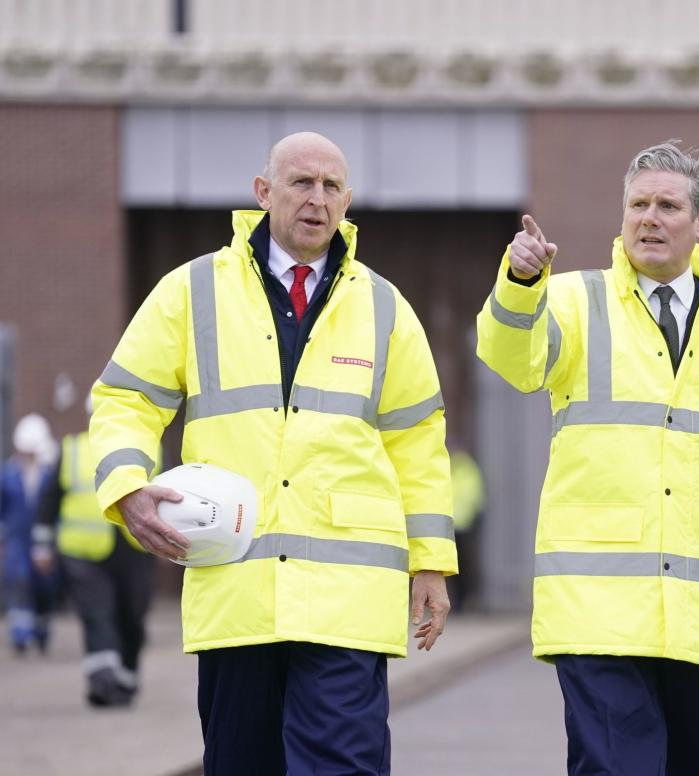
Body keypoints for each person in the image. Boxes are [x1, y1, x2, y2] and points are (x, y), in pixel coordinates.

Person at [89, 132, 458, 775]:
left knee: (343, 764)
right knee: (241, 763)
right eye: (301, 183)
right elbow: (125, 399)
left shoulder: (384, 306)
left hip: (348, 601)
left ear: (348, 200)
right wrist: (126, 485)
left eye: (332, 187)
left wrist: (430, 564)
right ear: (264, 194)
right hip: (239, 589)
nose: (317, 200)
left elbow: (418, 444)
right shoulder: (193, 290)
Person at [477, 140, 699, 775]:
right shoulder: (576, 301)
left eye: (667, 205)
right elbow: (511, 358)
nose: (649, 218)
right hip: (598, 612)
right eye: (637, 204)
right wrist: (521, 283)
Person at [33, 402, 157, 707]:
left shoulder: (150, 448)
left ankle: (125, 680)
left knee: (132, 617)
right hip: (83, 552)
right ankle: (102, 683)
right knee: (97, 614)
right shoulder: (72, 450)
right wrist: (42, 546)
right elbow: (48, 500)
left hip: (135, 548)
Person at [1, 413, 57, 655]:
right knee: (18, 586)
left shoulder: (50, 474)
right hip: (16, 541)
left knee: (43, 588)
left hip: (43, 541)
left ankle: (42, 632)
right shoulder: (8, 475)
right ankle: (20, 637)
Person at [444, 441, 484, 613]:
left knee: (464, 567)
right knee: (452, 569)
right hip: (450, 526)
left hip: (463, 526)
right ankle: (458, 603)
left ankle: (466, 601)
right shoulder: (453, 469)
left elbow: (474, 497)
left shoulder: (464, 469)